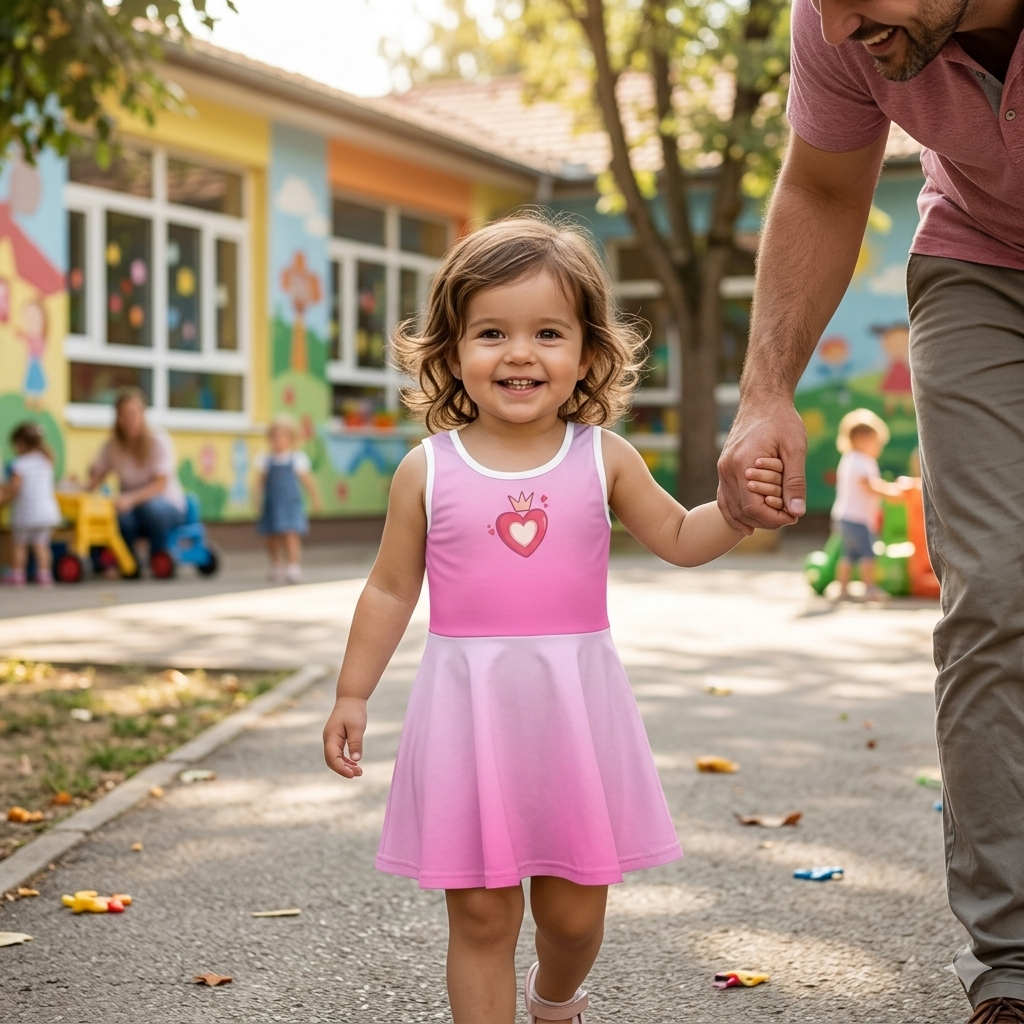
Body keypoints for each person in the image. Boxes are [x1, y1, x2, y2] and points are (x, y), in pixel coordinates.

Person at [322, 216, 783, 1024]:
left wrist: (737, 513)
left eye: (547, 332)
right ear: (452, 348)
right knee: (482, 916)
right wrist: (352, 693)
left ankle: (555, 997)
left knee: (573, 919)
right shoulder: (426, 469)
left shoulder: (601, 456)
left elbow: (677, 536)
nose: (520, 353)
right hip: (469, 715)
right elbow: (391, 590)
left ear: (588, 353)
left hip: (573, 716)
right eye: (492, 332)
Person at [715, 0, 1024, 1018]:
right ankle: (1012, 965)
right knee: (993, 592)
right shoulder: (832, 23)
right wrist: (764, 394)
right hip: (981, 262)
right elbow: (818, 183)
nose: (839, 27)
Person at [88, 387, 186, 574]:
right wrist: (79, 483)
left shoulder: (159, 441)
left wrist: (130, 499)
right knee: (119, 516)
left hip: (165, 505)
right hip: (131, 510)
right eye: (123, 415)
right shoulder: (112, 446)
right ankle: (129, 563)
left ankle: (159, 557)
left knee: (151, 509)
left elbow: (160, 484)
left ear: (142, 415)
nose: (128, 420)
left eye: (132, 414)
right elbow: (94, 479)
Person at [831, 409, 903, 600]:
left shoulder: (849, 459)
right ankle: (869, 588)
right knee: (867, 554)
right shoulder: (862, 461)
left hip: (844, 516)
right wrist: (891, 492)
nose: (879, 447)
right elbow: (869, 485)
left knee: (847, 555)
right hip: (858, 518)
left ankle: (842, 588)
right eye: (876, 442)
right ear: (862, 440)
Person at [254, 414, 320, 584]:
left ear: (291, 439)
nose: (278, 440)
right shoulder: (265, 460)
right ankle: (276, 564)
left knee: (291, 535)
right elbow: (259, 483)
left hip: (290, 505)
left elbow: (308, 481)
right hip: (272, 506)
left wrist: (315, 498)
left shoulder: (297, 459)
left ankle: (293, 566)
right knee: (272, 538)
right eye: (274, 436)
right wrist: (256, 499)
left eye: (283, 436)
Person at [0, 422, 60, 587]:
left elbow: (15, 487)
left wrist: (4, 499)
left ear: (21, 444)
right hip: (46, 512)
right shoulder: (46, 461)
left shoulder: (20, 464)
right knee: (41, 545)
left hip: (27, 513)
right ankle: (45, 575)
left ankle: (18, 574)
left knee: (20, 544)